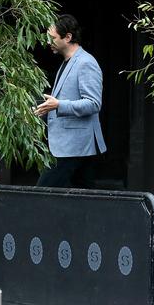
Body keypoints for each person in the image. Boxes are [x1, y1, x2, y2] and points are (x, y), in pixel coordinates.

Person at [34, 14, 107, 188]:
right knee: (81, 197)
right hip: (69, 145)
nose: (48, 42)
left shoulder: (85, 63)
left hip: (74, 146)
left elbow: (94, 103)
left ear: (68, 37)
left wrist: (58, 105)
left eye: (52, 38)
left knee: (42, 194)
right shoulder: (67, 62)